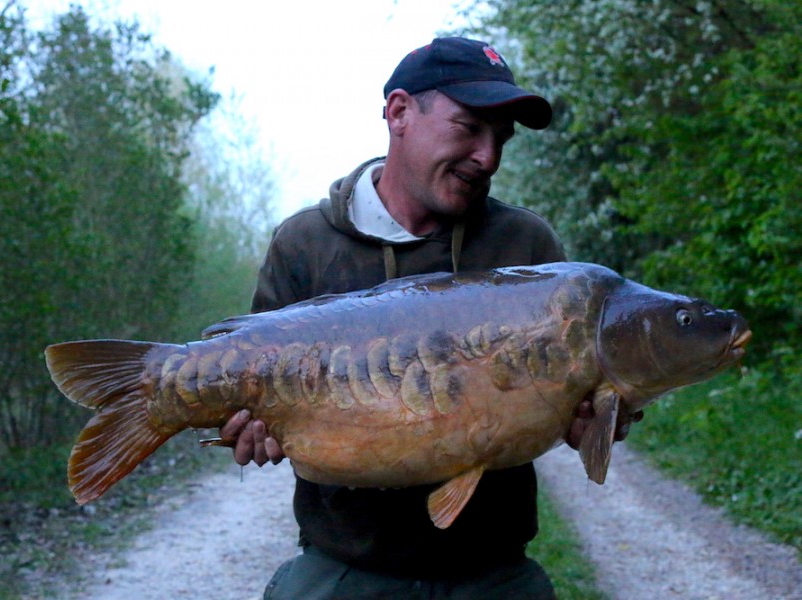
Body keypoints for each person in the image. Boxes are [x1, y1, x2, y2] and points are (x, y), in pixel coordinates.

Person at [220, 36, 638, 599]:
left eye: (500, 139)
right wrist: (248, 428)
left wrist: (598, 416)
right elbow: (252, 393)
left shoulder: (526, 243)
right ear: (399, 113)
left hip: (492, 567)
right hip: (346, 563)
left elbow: (572, 401)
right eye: (469, 128)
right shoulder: (306, 244)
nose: (488, 156)